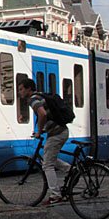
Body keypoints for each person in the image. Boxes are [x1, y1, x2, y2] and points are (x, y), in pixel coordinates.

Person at [17, 78, 70, 206]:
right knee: (48, 159)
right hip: (60, 131)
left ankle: (55, 196)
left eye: (21, 89)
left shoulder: (33, 100)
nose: (20, 92)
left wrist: (40, 131)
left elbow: (42, 114)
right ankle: (70, 170)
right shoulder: (39, 95)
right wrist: (44, 130)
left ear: (28, 89)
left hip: (57, 134)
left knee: (47, 165)